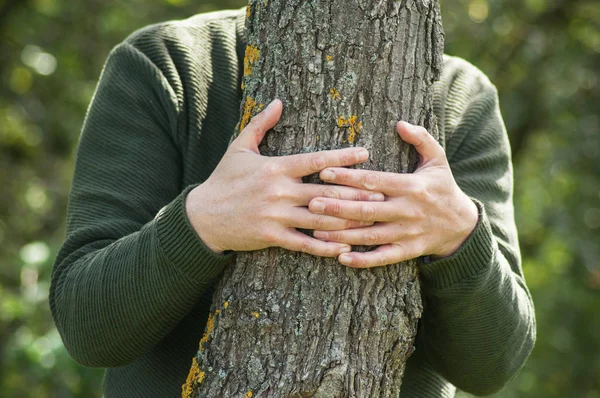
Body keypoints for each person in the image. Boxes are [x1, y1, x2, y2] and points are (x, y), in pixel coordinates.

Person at [49, 7, 535, 398]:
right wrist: (202, 223)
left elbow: (494, 366)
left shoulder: (461, 99)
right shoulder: (168, 65)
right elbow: (86, 327)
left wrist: (459, 235)